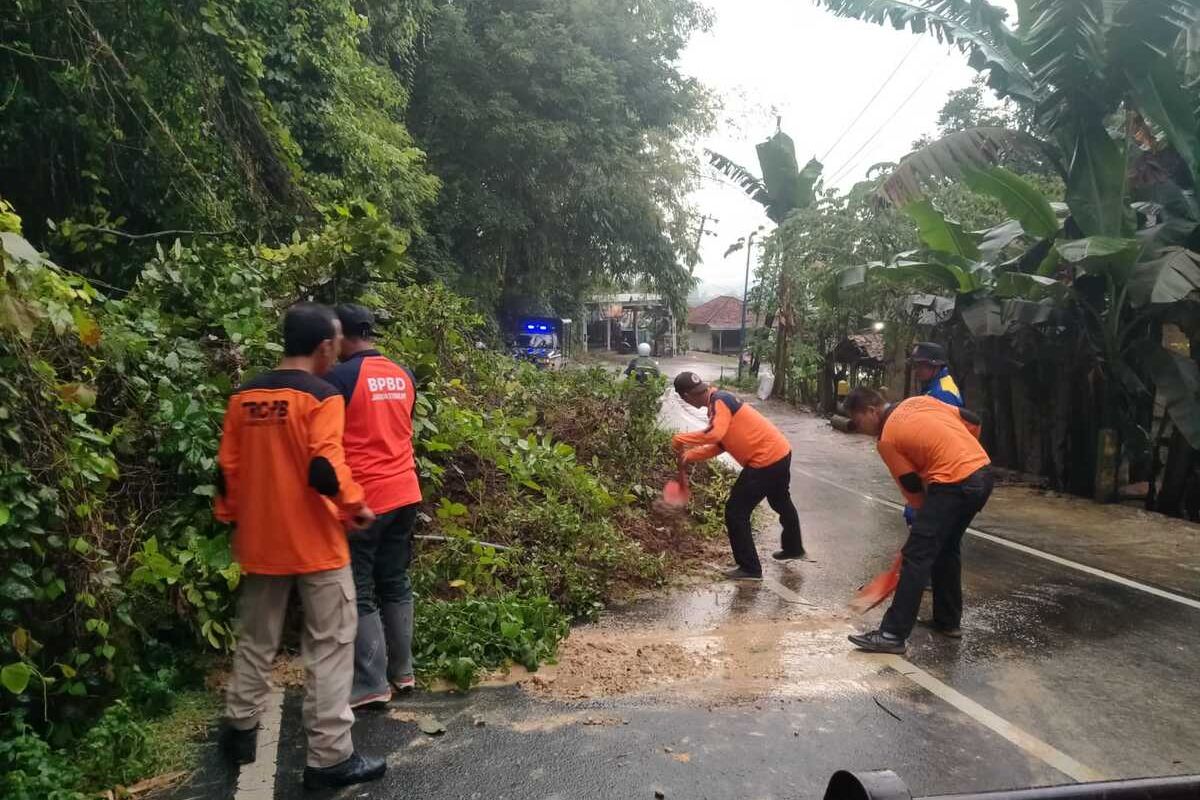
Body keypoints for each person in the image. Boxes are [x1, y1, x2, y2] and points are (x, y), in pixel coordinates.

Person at [215, 303, 386, 791]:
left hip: (260, 541)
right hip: (316, 544)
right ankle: (329, 757)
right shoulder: (322, 396)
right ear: (324, 347)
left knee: (256, 640)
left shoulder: (243, 396)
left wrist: (234, 520)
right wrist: (356, 508)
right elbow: (325, 469)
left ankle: (240, 730)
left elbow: (226, 472)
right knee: (330, 647)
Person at [842, 388, 993, 654]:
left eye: (857, 420)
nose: (857, 427)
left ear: (871, 411)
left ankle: (892, 634)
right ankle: (947, 622)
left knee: (917, 556)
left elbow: (912, 487)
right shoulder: (919, 402)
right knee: (946, 547)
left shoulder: (887, 438)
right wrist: (963, 453)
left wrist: (922, 525)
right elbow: (972, 420)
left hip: (952, 484)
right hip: (982, 474)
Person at [326, 305, 422, 709]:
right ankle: (403, 671)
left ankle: (369, 682)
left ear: (343, 335)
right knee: (395, 579)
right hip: (405, 492)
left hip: (365, 499)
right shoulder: (403, 374)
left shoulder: (340, 378)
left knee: (361, 588)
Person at [671, 372, 805, 580]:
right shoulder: (719, 400)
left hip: (765, 461)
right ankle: (793, 547)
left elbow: (714, 434)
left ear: (686, 396)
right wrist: (690, 456)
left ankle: (750, 568)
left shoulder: (719, 401)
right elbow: (721, 444)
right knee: (780, 501)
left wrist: (681, 439)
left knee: (736, 511)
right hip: (780, 452)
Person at [910, 341, 963, 407]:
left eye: (921, 366)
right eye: (915, 366)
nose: (917, 370)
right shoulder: (934, 385)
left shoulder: (942, 394)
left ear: (936, 366)